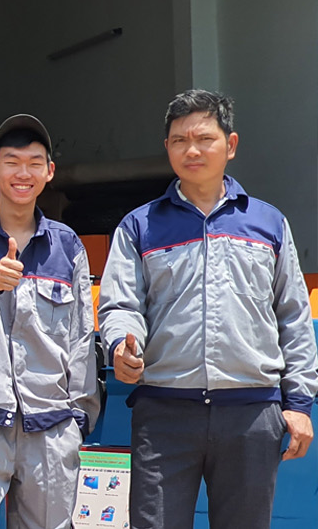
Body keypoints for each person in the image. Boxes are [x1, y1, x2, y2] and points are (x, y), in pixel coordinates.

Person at [99, 89, 316, 529]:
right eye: (180, 140)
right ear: (167, 148)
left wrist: (298, 403)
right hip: (165, 414)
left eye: (204, 139)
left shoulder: (268, 223)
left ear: (230, 145)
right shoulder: (139, 226)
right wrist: (121, 346)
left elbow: (293, 317)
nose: (192, 150)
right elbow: (121, 304)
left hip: (251, 413)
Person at [0, 115, 98, 529]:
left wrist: (79, 418)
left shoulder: (68, 246)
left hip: (51, 423)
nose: (22, 173)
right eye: (11, 162)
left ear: (49, 171)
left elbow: (82, 334)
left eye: (33, 163)